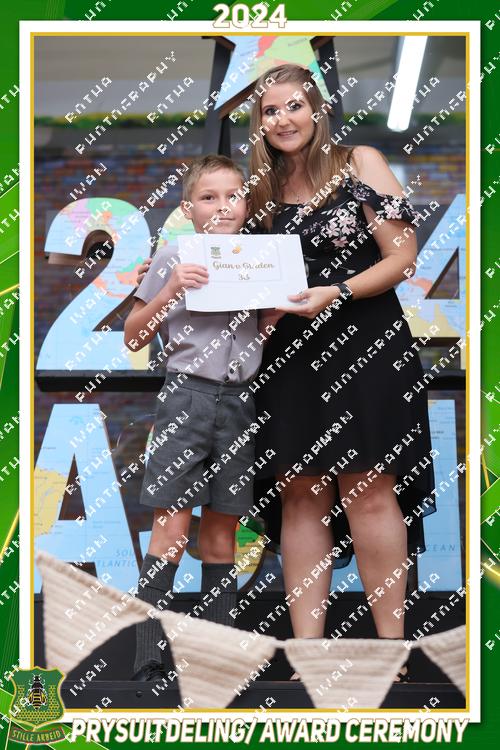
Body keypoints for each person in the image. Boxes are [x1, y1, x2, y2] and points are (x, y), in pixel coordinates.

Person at [136, 65, 437, 684]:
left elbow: (404, 256)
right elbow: (226, 259)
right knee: (301, 492)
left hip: (365, 343)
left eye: (294, 105)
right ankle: (309, 653)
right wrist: (166, 275)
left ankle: (391, 650)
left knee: (369, 489)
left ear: (317, 109)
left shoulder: (360, 161)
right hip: (287, 353)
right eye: (269, 111)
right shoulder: (260, 189)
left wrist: (337, 291)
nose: (283, 119)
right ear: (259, 124)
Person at [124, 154, 266, 682]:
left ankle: (218, 654)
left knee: (223, 529)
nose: (222, 206)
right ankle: (146, 653)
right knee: (172, 527)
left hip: (241, 401)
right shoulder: (171, 257)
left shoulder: (261, 259)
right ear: (189, 208)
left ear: (247, 203)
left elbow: (261, 332)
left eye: (233, 195)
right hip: (186, 398)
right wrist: (170, 289)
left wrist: (275, 315)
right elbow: (134, 336)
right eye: (209, 197)